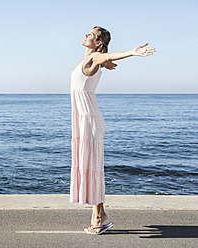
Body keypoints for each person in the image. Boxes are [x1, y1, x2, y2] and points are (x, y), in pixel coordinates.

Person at [70, 26, 155, 235]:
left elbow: (108, 55)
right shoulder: (91, 59)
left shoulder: (95, 58)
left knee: (92, 170)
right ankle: (101, 215)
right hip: (84, 120)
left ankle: (98, 217)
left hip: (89, 121)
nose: (85, 35)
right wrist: (106, 63)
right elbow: (105, 59)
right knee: (90, 169)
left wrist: (132, 53)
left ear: (98, 43)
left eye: (90, 34)